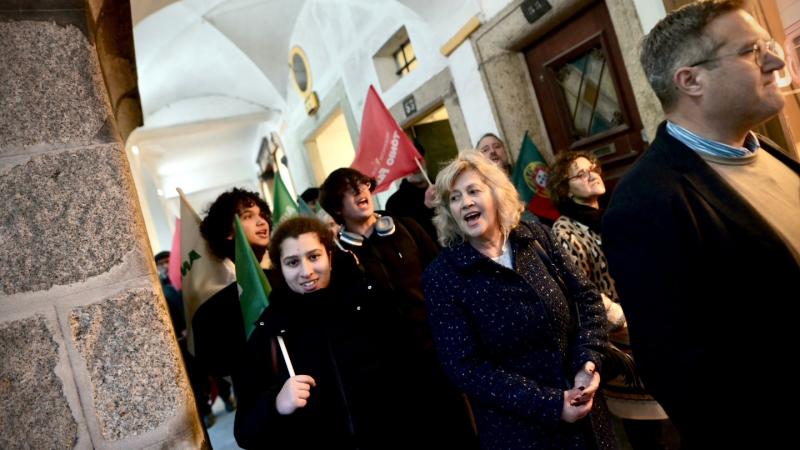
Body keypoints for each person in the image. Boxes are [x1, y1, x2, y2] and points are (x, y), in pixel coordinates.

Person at [602, 1, 800, 447]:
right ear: (690, 80)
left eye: (767, 46)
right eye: (752, 51)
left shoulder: (765, 150)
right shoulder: (646, 203)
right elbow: (686, 377)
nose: (775, 61)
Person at [423, 150, 615, 449]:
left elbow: (588, 299)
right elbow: (465, 367)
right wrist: (551, 404)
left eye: (473, 191)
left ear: (496, 194)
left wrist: (587, 363)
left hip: (589, 419)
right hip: (520, 433)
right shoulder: (443, 276)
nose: (466, 203)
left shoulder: (537, 237)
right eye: (455, 198)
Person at [233, 216, 473, 448]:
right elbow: (245, 433)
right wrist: (275, 404)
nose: (306, 271)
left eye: (314, 256)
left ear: (329, 256)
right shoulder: (271, 334)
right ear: (280, 268)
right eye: (292, 262)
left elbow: (420, 382)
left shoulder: (373, 306)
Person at [318, 167, 476, 445]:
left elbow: (444, 281)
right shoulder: (338, 258)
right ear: (337, 208)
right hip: (390, 376)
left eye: (362, 184)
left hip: (437, 356)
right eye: (348, 190)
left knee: (461, 433)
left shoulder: (408, 228)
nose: (360, 191)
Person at [548, 152, 671, 449]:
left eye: (592, 168)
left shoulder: (611, 215)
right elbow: (581, 292)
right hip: (618, 339)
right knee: (646, 431)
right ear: (566, 190)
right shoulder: (564, 231)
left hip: (648, 327)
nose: (592, 174)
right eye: (580, 174)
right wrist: (625, 320)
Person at [193, 188, 273, 408]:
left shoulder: (286, 277)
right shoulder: (213, 307)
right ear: (228, 231)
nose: (261, 222)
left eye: (262, 215)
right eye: (248, 216)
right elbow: (216, 365)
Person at [386, 141, 438, 243]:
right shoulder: (394, 203)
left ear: (424, 160)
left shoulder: (443, 187)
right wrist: (426, 207)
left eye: (418, 159)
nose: (415, 166)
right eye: (408, 162)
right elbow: (407, 238)